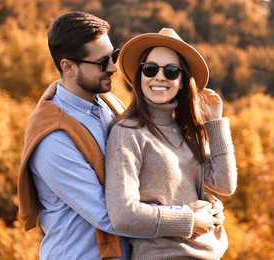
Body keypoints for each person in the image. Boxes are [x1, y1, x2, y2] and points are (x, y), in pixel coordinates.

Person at [17, 12, 226, 260]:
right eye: (102, 62)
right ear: (68, 67)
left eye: (113, 56)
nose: (113, 68)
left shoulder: (109, 105)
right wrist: (188, 218)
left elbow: (147, 179)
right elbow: (111, 214)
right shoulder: (53, 140)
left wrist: (203, 204)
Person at [105, 28, 238, 259]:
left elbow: (225, 185)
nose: (159, 77)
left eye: (171, 71)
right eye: (150, 69)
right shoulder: (127, 132)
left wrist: (214, 123)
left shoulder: (186, 132)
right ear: (140, 75)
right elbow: (122, 214)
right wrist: (189, 219)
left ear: (183, 81)